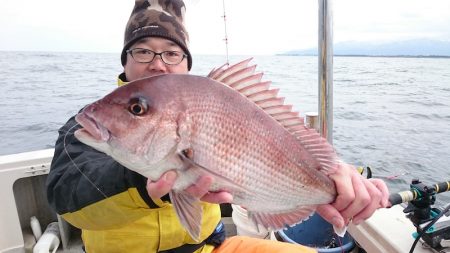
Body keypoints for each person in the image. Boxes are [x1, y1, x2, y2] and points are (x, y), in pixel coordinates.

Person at [46, 1, 389, 252]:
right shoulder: (89, 129)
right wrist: (144, 181)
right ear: (124, 59)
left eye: (171, 53)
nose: (157, 64)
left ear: (186, 63)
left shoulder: (215, 104)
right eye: (142, 52)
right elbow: (67, 198)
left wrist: (337, 175)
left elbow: (278, 141)